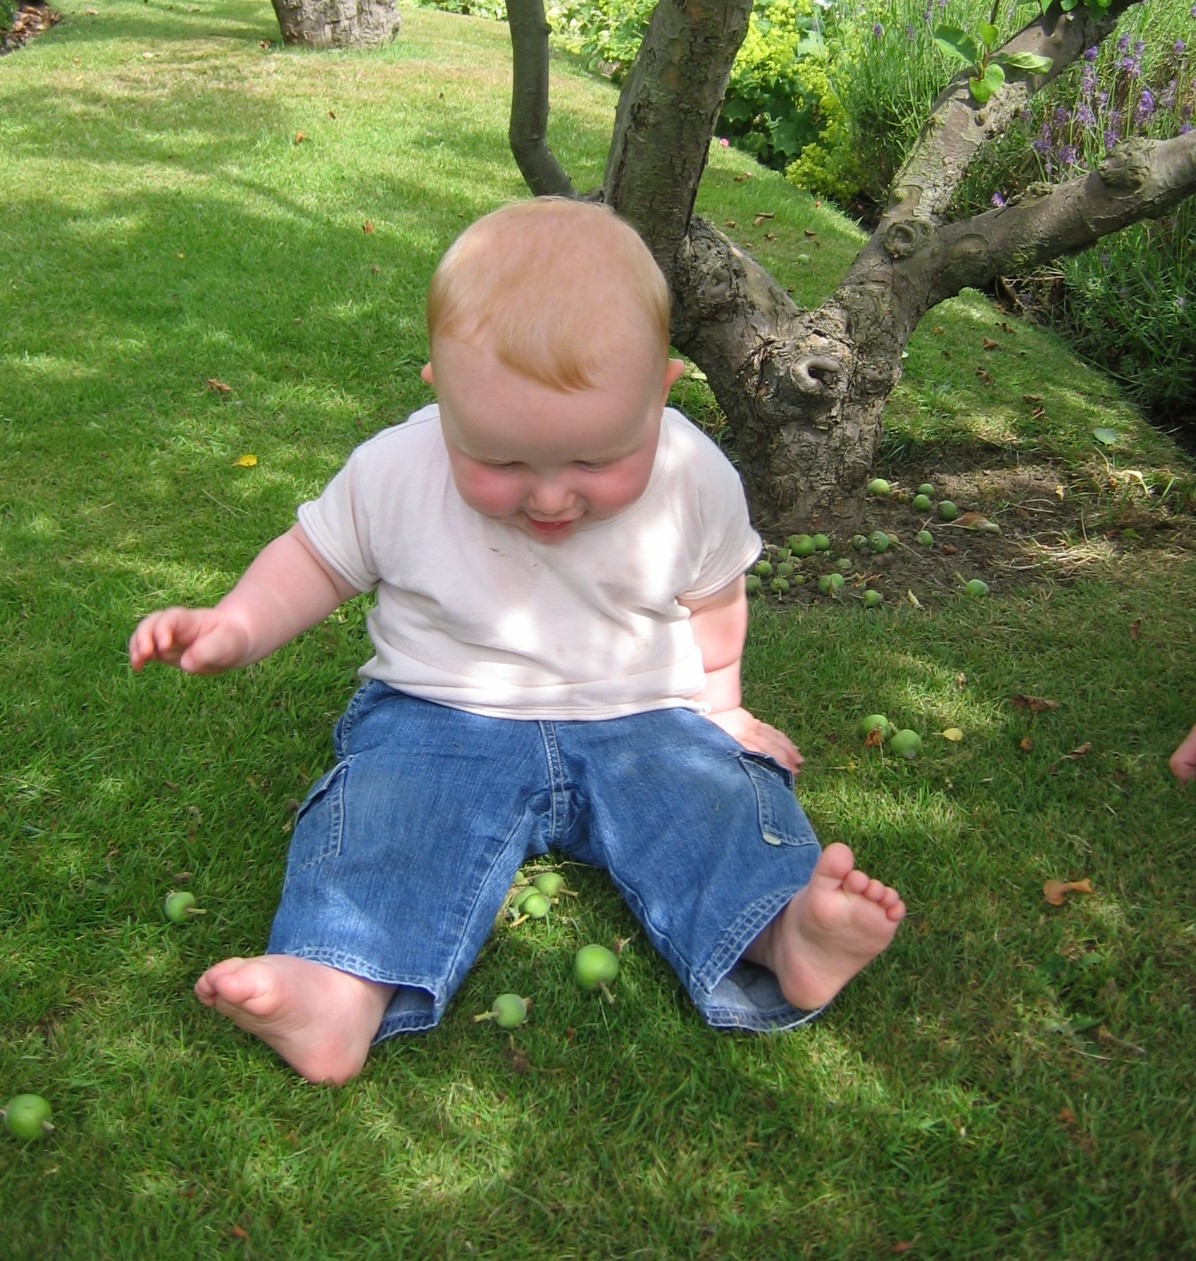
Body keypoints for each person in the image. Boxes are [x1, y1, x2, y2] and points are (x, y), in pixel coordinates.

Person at [129, 198, 904, 1085]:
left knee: (711, 805)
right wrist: (237, 623)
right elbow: (313, 560)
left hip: (644, 712)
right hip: (440, 714)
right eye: (498, 462)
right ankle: (336, 984)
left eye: (594, 461)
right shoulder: (397, 471)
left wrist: (720, 706)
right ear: (441, 392)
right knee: (388, 817)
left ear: (661, 392)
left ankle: (782, 929)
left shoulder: (694, 475)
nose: (548, 499)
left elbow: (713, 594)